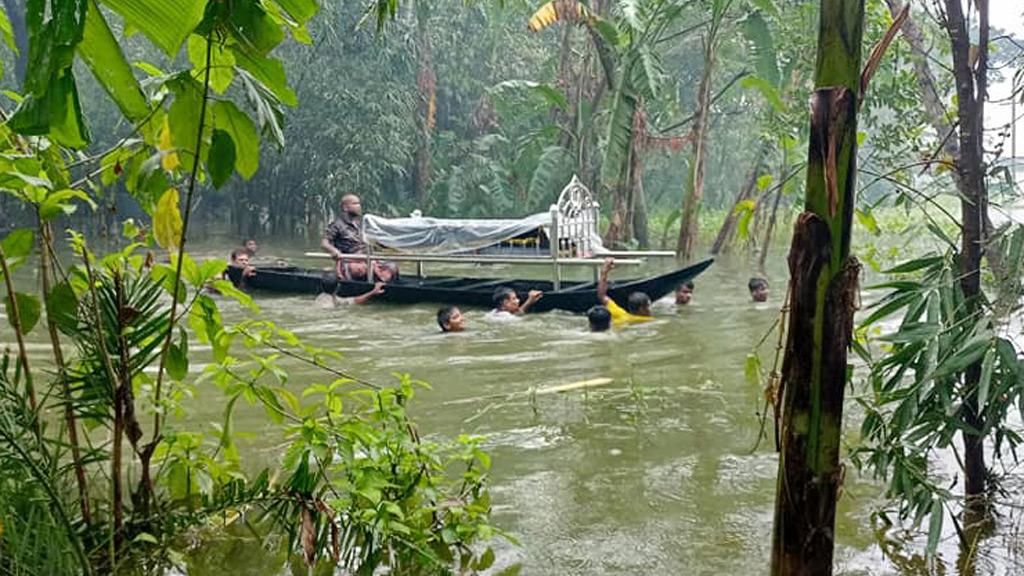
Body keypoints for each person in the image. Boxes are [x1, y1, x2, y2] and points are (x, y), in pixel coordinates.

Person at [321, 194, 397, 281]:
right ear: (345, 207)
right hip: (350, 261)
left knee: (392, 267)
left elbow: (374, 241)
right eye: (355, 204)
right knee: (363, 269)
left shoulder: (361, 224)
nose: (359, 207)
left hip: (367, 257)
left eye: (359, 204)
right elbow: (324, 243)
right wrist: (334, 251)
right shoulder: (337, 225)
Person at [597, 258, 652, 324]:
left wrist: (604, 272)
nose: (650, 309)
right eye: (648, 306)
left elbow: (602, 295)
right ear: (642, 309)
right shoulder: (647, 321)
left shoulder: (619, 313)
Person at [315, 282, 386, 307]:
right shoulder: (336, 301)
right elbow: (355, 300)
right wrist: (373, 292)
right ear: (338, 287)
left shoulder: (318, 298)